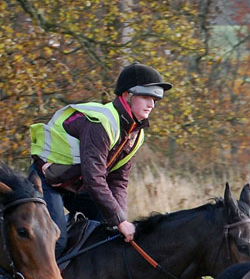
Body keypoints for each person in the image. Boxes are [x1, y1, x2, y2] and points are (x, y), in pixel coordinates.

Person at [28, 62, 172, 257]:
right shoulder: (101, 124)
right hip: (46, 181)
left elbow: (118, 181)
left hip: (77, 187)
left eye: (155, 99)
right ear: (127, 96)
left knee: (108, 234)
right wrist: (120, 221)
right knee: (57, 241)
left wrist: (121, 220)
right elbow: (94, 177)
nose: (152, 104)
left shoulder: (136, 135)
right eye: (146, 97)